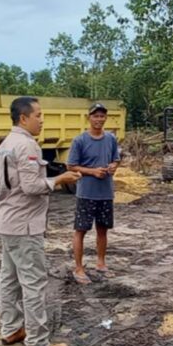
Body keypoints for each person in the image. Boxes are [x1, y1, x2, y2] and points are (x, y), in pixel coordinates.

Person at [0, 96, 81, 346]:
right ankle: (38, 344)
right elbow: (31, 187)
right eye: (38, 115)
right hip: (24, 225)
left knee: (8, 278)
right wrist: (59, 179)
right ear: (23, 118)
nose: (42, 120)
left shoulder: (7, 143)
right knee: (33, 283)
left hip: (7, 221)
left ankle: (11, 328)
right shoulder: (27, 145)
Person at [66, 103, 121, 284]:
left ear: (106, 118)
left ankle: (101, 263)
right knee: (81, 230)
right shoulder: (80, 141)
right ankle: (79, 267)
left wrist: (113, 166)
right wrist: (92, 171)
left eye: (102, 116)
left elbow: (115, 159)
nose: (99, 119)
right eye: (95, 116)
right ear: (89, 117)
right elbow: (71, 166)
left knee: (103, 230)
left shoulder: (111, 139)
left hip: (105, 192)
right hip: (86, 193)